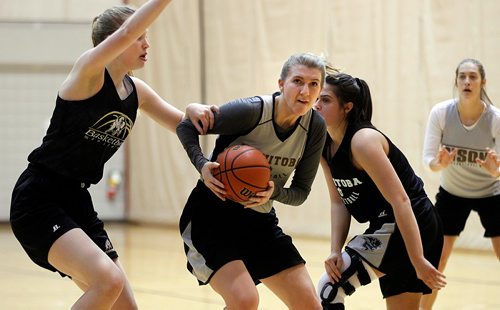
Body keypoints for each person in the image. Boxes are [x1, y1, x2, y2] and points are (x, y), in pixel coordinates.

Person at [9, 1, 217, 309]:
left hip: (77, 201)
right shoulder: (88, 73)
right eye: (139, 37)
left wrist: (200, 115)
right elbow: (128, 30)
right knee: (109, 280)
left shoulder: (137, 92)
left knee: (125, 306)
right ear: (114, 41)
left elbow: (185, 127)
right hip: (39, 199)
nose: (146, 43)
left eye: (146, 36)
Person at [176, 52, 327, 309]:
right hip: (212, 217)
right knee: (245, 299)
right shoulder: (251, 111)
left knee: (310, 305)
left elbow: (301, 192)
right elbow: (186, 126)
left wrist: (272, 192)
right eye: (298, 81)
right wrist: (202, 165)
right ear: (281, 84)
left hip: (259, 221)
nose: (305, 90)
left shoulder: (315, 127)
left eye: (314, 84)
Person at [313, 68, 446, 310]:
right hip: (391, 224)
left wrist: (416, 259)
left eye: (325, 99)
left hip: (412, 220)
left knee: (329, 288)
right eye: (317, 99)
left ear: (347, 107)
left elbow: (401, 201)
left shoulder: (363, 141)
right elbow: (338, 202)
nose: (316, 104)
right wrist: (335, 250)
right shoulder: (324, 145)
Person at [420, 58, 500, 309]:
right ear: (456, 81)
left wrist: (495, 171)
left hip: (492, 194)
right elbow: (428, 160)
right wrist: (440, 165)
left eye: (473, 77)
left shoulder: (495, 119)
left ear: (482, 82)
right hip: (452, 194)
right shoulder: (441, 113)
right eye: (462, 76)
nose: (467, 81)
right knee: (436, 261)